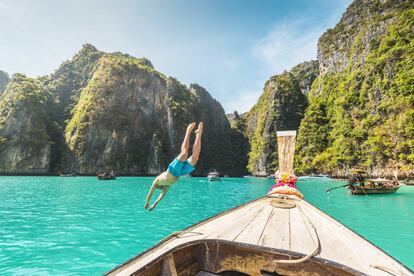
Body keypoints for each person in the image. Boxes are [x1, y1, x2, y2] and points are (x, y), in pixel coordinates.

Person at [144, 122, 203, 211]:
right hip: (180, 172)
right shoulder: (166, 187)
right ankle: (198, 134)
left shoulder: (156, 181)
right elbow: (161, 197)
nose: (159, 189)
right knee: (195, 158)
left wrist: (147, 202)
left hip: (172, 169)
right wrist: (154, 205)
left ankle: (188, 131)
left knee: (184, 153)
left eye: (158, 188)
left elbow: (150, 193)